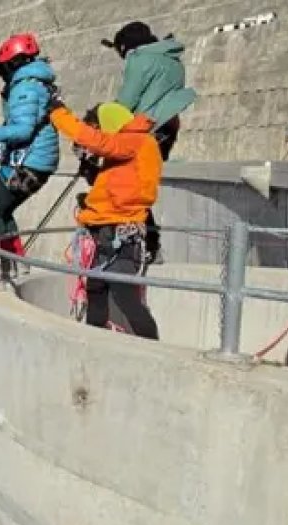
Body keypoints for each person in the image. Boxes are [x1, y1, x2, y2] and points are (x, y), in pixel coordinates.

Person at [48, 100, 160, 339]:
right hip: (106, 231)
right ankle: (94, 341)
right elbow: (116, 184)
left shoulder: (135, 140)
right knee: (96, 289)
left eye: (98, 128)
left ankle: (154, 348)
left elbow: (99, 142)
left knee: (125, 296)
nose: (97, 133)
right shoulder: (129, 146)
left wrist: (59, 114)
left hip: (120, 233)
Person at [0, 33, 60, 279]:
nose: (0, 72)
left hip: (30, 162)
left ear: (13, 64)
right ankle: (17, 263)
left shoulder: (26, 87)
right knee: (3, 209)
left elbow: (23, 129)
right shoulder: (35, 82)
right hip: (35, 160)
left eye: (3, 67)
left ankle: (1, 266)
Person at [102, 21, 197, 161]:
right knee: (155, 166)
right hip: (170, 123)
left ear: (124, 46)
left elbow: (127, 101)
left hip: (146, 125)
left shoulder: (139, 59)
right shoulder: (173, 59)